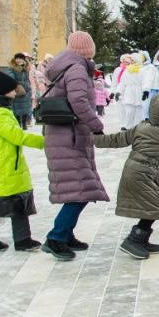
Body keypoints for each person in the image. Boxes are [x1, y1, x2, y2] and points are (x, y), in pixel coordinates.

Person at [94, 94, 159, 259]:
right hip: (145, 172)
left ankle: (141, 239)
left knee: (151, 206)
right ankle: (134, 240)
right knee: (153, 208)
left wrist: (95, 139)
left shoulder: (141, 126)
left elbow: (117, 139)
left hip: (131, 168)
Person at [42, 32, 110, 261]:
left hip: (64, 135)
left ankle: (66, 233)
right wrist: (96, 124)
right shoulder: (77, 69)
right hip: (68, 137)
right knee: (81, 190)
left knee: (79, 188)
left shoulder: (66, 65)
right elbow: (78, 101)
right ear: (88, 49)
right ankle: (56, 237)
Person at [0, 62, 45, 252]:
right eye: (12, 89)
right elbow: (17, 136)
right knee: (18, 204)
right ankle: (21, 240)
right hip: (3, 168)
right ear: (3, 92)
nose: (16, 91)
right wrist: (44, 142)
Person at [115, 51, 147, 130]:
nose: (131, 62)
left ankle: (137, 127)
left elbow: (145, 82)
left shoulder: (142, 70)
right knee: (129, 111)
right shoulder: (127, 70)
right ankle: (127, 126)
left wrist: (146, 91)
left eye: (133, 60)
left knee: (138, 112)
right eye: (131, 60)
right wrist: (118, 92)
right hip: (129, 92)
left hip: (139, 92)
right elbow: (122, 83)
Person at [2, 53, 33, 129]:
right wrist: (20, 69)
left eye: (20, 58)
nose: (18, 60)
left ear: (23, 60)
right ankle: (18, 123)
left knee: (26, 108)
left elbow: (26, 78)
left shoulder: (26, 68)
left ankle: (24, 123)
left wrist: (29, 87)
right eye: (17, 58)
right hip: (18, 90)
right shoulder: (12, 68)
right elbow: (11, 78)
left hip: (26, 90)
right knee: (17, 109)